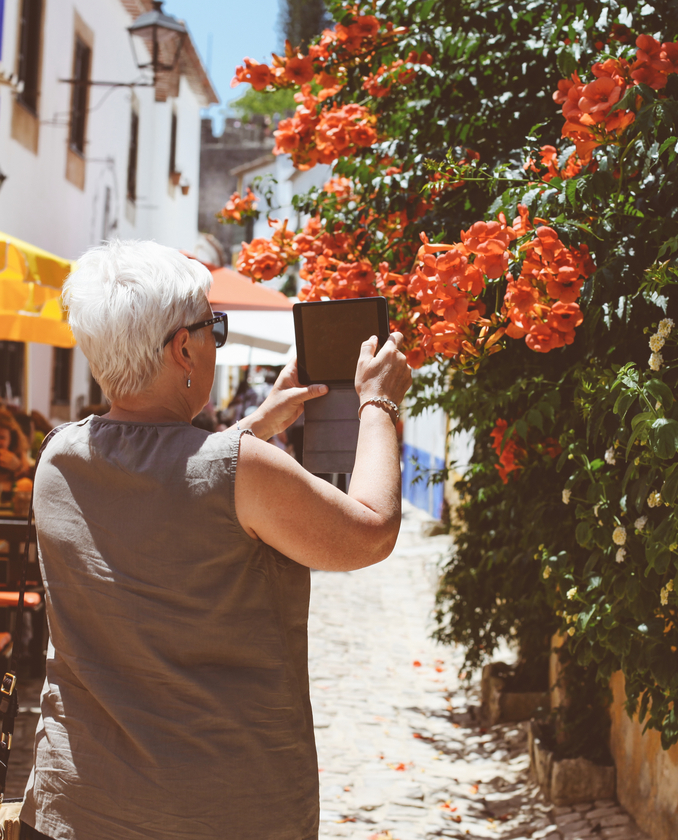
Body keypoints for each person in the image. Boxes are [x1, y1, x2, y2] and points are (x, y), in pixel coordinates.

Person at [19, 240, 411, 840]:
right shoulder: (242, 471)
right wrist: (379, 401)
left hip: (79, 806)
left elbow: (163, 467)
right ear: (183, 348)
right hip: (222, 811)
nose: (214, 340)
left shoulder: (58, 459)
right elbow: (370, 531)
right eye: (213, 327)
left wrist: (252, 428)